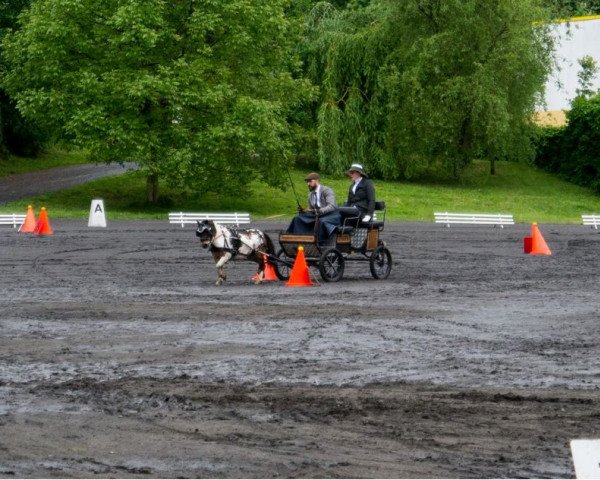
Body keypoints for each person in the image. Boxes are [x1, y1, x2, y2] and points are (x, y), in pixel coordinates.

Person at [286, 172, 341, 245]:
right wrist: (304, 210)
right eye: (307, 182)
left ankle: (320, 242)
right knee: (297, 219)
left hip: (330, 215)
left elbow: (332, 206)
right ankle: (297, 240)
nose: (308, 184)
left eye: (310, 181)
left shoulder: (327, 191)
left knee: (321, 221)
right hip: (317, 215)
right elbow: (311, 209)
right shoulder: (310, 194)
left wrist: (319, 211)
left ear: (317, 180)